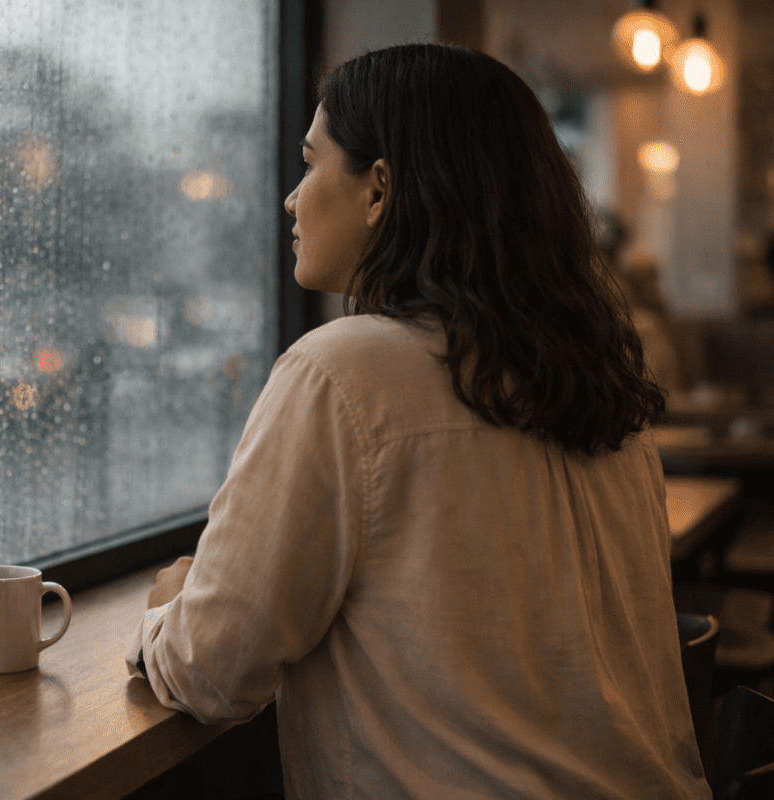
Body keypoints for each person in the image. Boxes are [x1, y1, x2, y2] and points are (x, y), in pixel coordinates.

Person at [125, 44, 711, 800]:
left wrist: (165, 612)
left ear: (378, 191)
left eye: (311, 164)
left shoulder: (339, 374)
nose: (291, 198)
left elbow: (209, 672)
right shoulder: (608, 402)